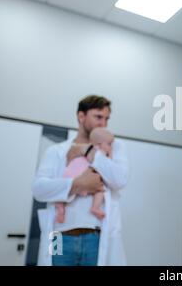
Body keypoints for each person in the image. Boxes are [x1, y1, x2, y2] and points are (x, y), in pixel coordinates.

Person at [32, 95, 129, 266]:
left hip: (96, 236)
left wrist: (88, 151)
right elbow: (39, 189)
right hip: (58, 235)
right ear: (81, 116)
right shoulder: (56, 151)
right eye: (98, 117)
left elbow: (120, 180)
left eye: (107, 119)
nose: (103, 124)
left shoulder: (112, 147)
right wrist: (78, 184)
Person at [55, 127, 115, 223]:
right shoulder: (99, 152)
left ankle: (60, 206)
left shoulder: (83, 149)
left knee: (65, 192)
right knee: (100, 190)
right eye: (109, 144)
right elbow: (109, 165)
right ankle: (95, 207)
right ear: (99, 144)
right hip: (86, 178)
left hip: (71, 174)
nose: (111, 147)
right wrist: (110, 153)